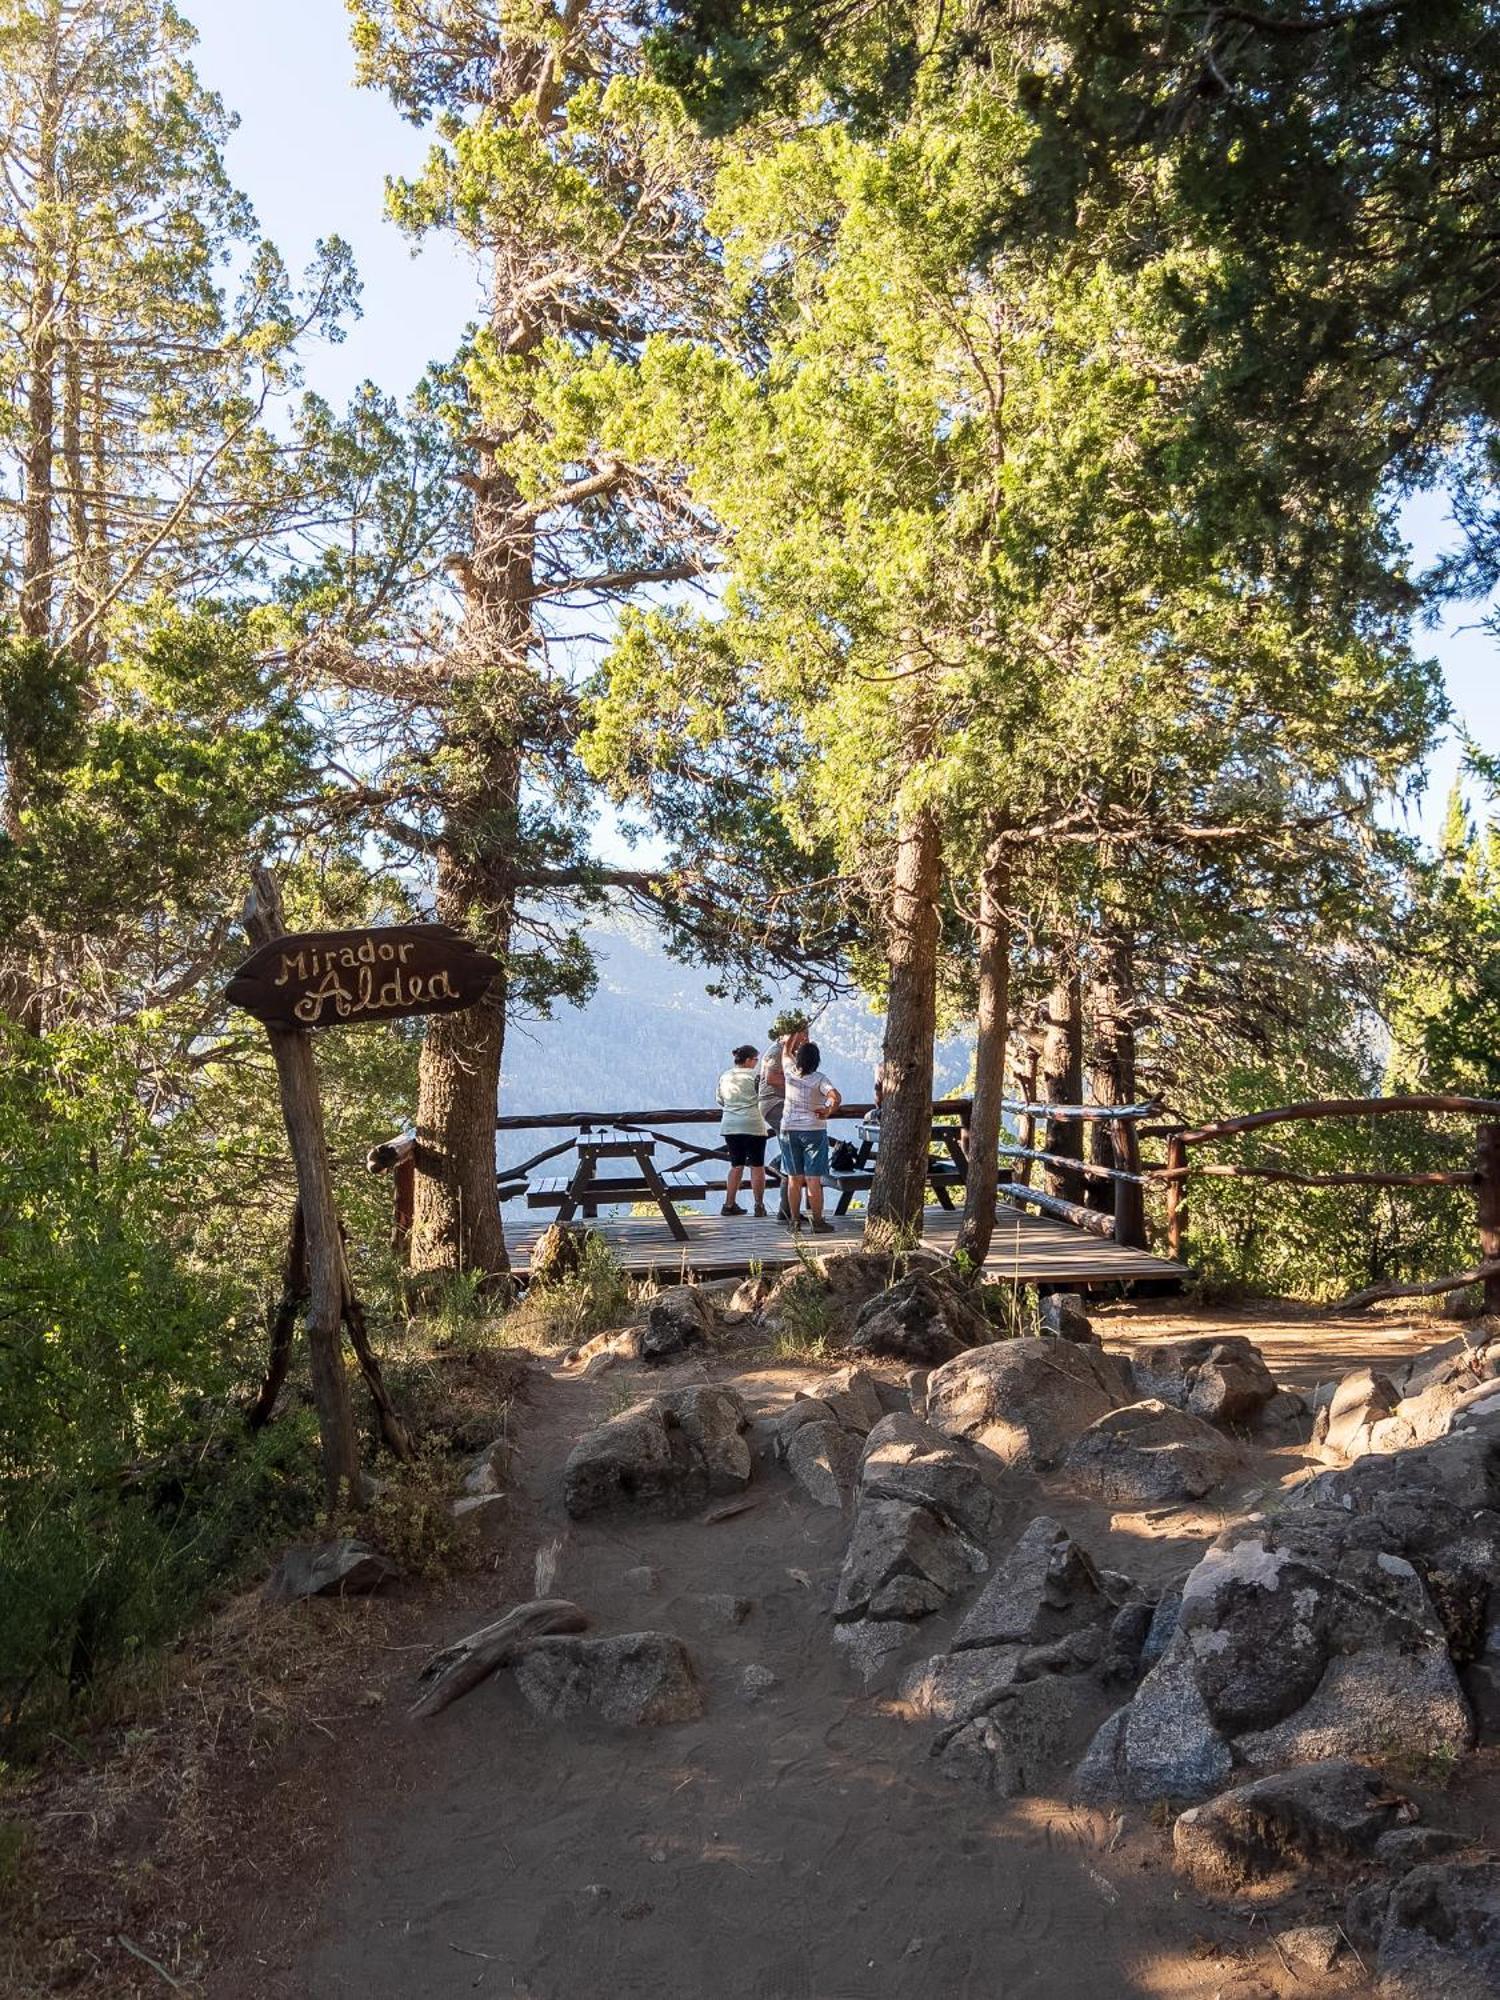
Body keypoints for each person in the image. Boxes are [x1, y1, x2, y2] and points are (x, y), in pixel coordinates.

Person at [780, 1041, 842, 1233]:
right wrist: (828, 1110)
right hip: (814, 1130)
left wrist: (793, 1036)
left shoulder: (790, 1073)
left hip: (789, 1129)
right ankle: (818, 1221)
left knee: (794, 1178)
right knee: (813, 1178)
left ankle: (794, 1221)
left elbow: (785, 1052)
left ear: (798, 1059)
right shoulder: (820, 1079)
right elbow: (836, 1096)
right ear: (817, 1060)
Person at [758, 1014, 808, 1220]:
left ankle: (786, 1210)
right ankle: (777, 1164)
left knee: (794, 1150)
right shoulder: (776, 1051)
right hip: (774, 1104)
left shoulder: (789, 1052)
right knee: (795, 1150)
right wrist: (800, 1086)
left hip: (781, 1105)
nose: (806, 1037)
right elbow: (771, 1078)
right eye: (804, 1032)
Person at [716, 1044, 768, 1216]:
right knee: (757, 1166)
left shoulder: (725, 1076)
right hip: (753, 1124)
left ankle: (729, 1204)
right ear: (748, 1060)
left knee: (736, 1165)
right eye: (755, 1060)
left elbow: (720, 1100)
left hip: (730, 1125)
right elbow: (764, 1098)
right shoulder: (756, 1076)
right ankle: (759, 1205)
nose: (756, 1063)